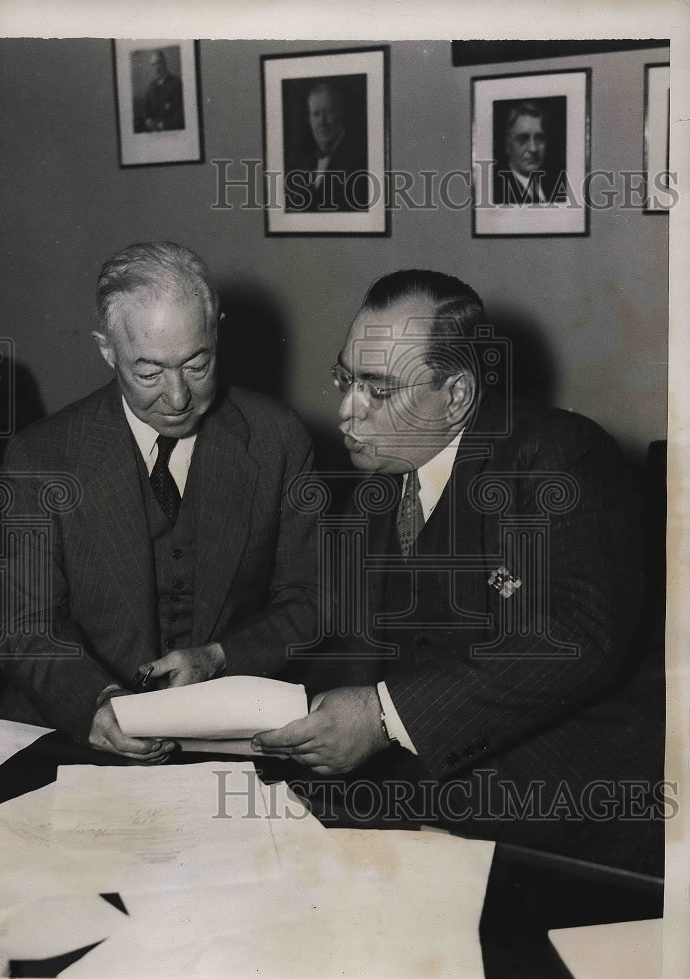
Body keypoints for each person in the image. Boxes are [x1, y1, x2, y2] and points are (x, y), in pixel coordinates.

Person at [253, 269, 664, 873]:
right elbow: (338, 639)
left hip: (577, 816)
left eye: (378, 389)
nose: (346, 410)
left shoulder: (559, 458)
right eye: (345, 378)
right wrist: (228, 681)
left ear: (457, 396)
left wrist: (381, 717)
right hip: (437, 801)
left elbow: (573, 638)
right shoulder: (377, 487)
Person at [0, 242, 318, 762]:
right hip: (68, 734)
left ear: (217, 331)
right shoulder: (42, 455)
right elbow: (25, 628)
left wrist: (218, 658)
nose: (177, 397)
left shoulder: (277, 440)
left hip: (225, 736)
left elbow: (311, 600)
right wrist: (96, 705)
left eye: (197, 364)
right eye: (149, 373)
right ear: (107, 351)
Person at [285, 80, 368, 213]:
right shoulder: (303, 167)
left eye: (328, 112)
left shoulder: (360, 164)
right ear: (310, 119)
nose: (321, 121)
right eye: (316, 114)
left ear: (341, 114)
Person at [493, 101, 565, 205]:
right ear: (507, 146)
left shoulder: (558, 186)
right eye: (523, 139)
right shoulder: (497, 193)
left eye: (539, 139)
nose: (533, 149)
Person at [142, 49, 184, 132]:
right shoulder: (152, 86)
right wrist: (148, 120)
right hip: (153, 132)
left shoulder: (176, 83)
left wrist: (161, 125)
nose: (157, 67)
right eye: (153, 65)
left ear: (165, 62)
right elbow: (146, 110)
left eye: (159, 62)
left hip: (171, 131)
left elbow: (180, 115)